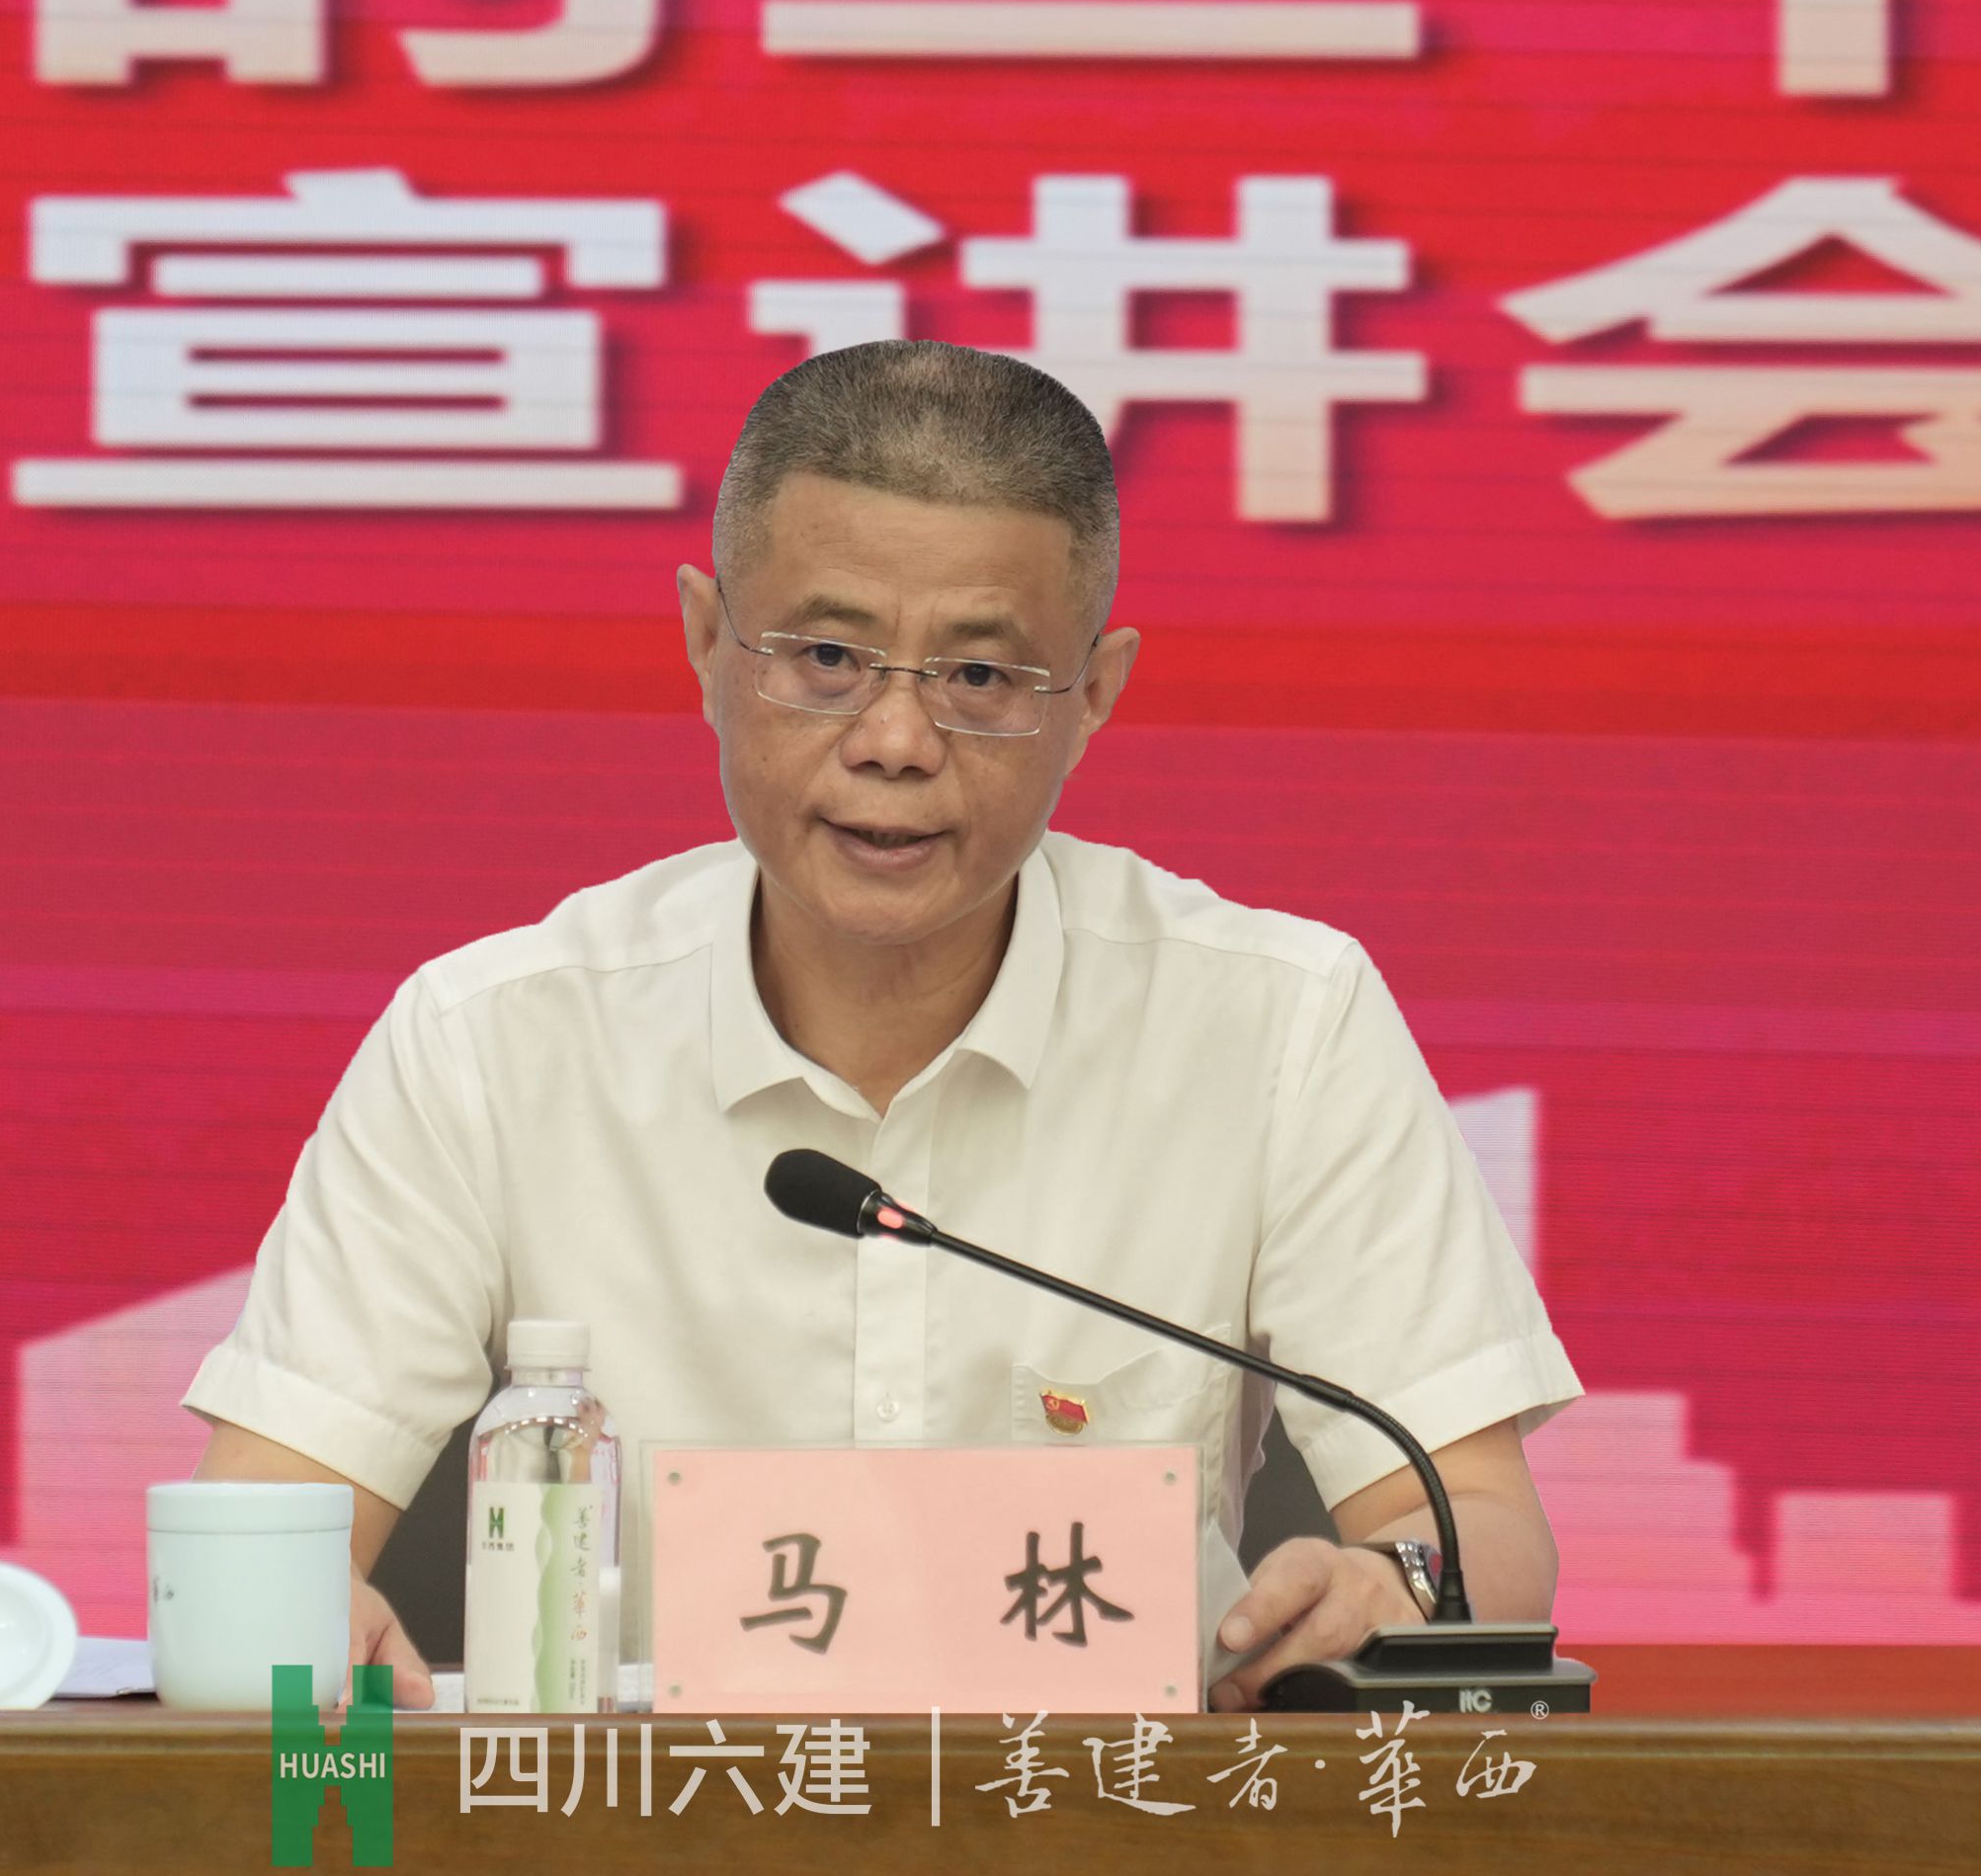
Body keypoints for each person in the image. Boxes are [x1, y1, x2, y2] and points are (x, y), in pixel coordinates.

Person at [183, 339, 1583, 1709]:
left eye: (979, 679)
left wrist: (1392, 1586)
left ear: (1094, 695)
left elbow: (1475, 1522)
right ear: (706, 644)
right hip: (645, 1823)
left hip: (1112, 1818)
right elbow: (263, 1521)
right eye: (827, 657)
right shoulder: (491, 1042)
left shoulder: (1280, 1024)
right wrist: (290, 1610)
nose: (896, 743)